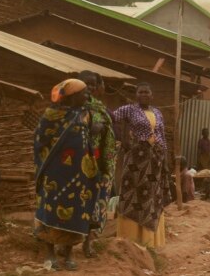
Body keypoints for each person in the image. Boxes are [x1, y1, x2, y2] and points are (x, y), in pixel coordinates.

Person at [33, 79, 99, 271]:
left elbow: (87, 141)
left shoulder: (85, 114)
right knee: (51, 209)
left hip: (79, 174)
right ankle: (50, 253)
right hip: (55, 174)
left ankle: (68, 253)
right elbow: (39, 141)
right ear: (72, 95)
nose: (87, 96)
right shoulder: (52, 115)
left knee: (76, 210)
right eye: (84, 93)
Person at [112, 82, 170, 248]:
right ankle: (130, 238)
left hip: (155, 161)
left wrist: (164, 158)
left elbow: (162, 136)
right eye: (141, 92)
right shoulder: (129, 109)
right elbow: (112, 118)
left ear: (152, 95)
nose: (144, 95)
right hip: (136, 160)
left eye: (147, 92)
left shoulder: (158, 113)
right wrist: (121, 138)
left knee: (151, 196)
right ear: (136, 95)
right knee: (132, 194)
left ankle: (150, 241)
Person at [77, 71, 116, 258]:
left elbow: (109, 128)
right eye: (87, 83)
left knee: (94, 205)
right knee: (76, 203)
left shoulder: (100, 108)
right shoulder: (71, 106)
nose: (90, 87)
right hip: (75, 163)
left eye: (93, 84)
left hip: (97, 162)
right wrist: (89, 130)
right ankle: (66, 243)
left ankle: (88, 243)